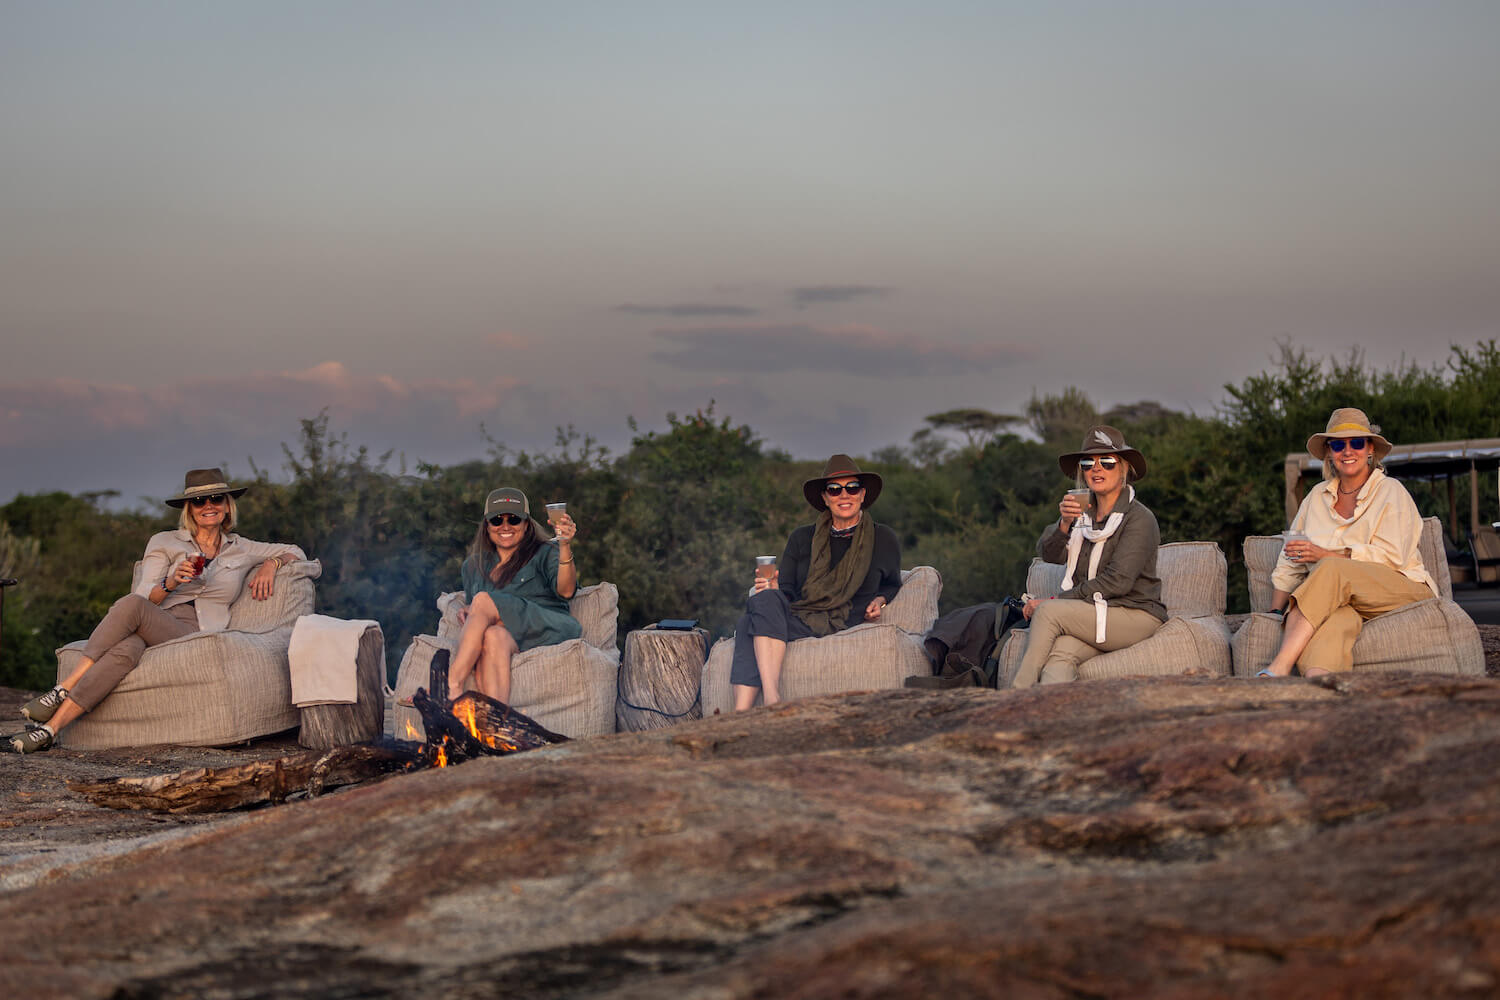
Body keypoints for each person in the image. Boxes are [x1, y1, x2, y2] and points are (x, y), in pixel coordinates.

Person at [12, 469, 304, 753]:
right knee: (125, 648)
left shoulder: (242, 547)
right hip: (157, 619)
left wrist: (271, 564)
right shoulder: (164, 541)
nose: (209, 506)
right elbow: (142, 596)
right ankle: (51, 729)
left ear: (228, 507)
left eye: (216, 499)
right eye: (199, 501)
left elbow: (297, 551)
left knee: (131, 613)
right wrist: (171, 580)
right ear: (189, 509)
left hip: (194, 632)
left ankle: (63, 689)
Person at [1257, 408, 1437, 678]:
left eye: (1356, 442)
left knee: (1330, 567)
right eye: (1339, 444)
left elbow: (1393, 557)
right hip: (1344, 598)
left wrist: (1326, 554)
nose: (1347, 450)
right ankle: (1321, 688)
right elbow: (1289, 563)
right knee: (1336, 619)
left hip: (1401, 589)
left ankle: (1279, 666)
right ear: (1329, 452)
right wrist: (1274, 610)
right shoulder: (1315, 498)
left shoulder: (1391, 491)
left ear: (1370, 450)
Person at [730, 454, 903, 710]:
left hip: (845, 618)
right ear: (825, 498)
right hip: (802, 616)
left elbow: (891, 583)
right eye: (834, 490)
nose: (844, 495)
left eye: (851, 488)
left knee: (748, 622)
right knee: (760, 603)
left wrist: (880, 600)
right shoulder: (802, 537)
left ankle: (757, 707)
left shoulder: (883, 537)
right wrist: (775, 591)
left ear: (862, 494)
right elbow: (787, 591)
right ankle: (755, 706)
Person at [1012, 426, 1166, 687]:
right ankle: (1055, 721)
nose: (1097, 469)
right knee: (1059, 656)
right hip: (1094, 613)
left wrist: (1055, 602)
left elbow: (1117, 582)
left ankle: (1014, 700)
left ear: (1123, 468)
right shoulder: (1081, 514)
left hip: (1135, 614)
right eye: (1088, 463)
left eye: (1107, 462)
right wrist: (1064, 523)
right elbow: (1049, 555)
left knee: (1048, 613)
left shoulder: (1139, 518)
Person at [446, 487, 580, 704]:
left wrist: (564, 544)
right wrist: (473, 611)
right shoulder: (472, 566)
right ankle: (496, 724)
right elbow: (479, 619)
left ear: (526, 524)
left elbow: (566, 591)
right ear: (487, 525)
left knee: (482, 599)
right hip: (509, 636)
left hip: (547, 626)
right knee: (493, 636)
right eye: (497, 520)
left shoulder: (545, 552)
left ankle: (451, 686)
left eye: (514, 519)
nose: (505, 526)